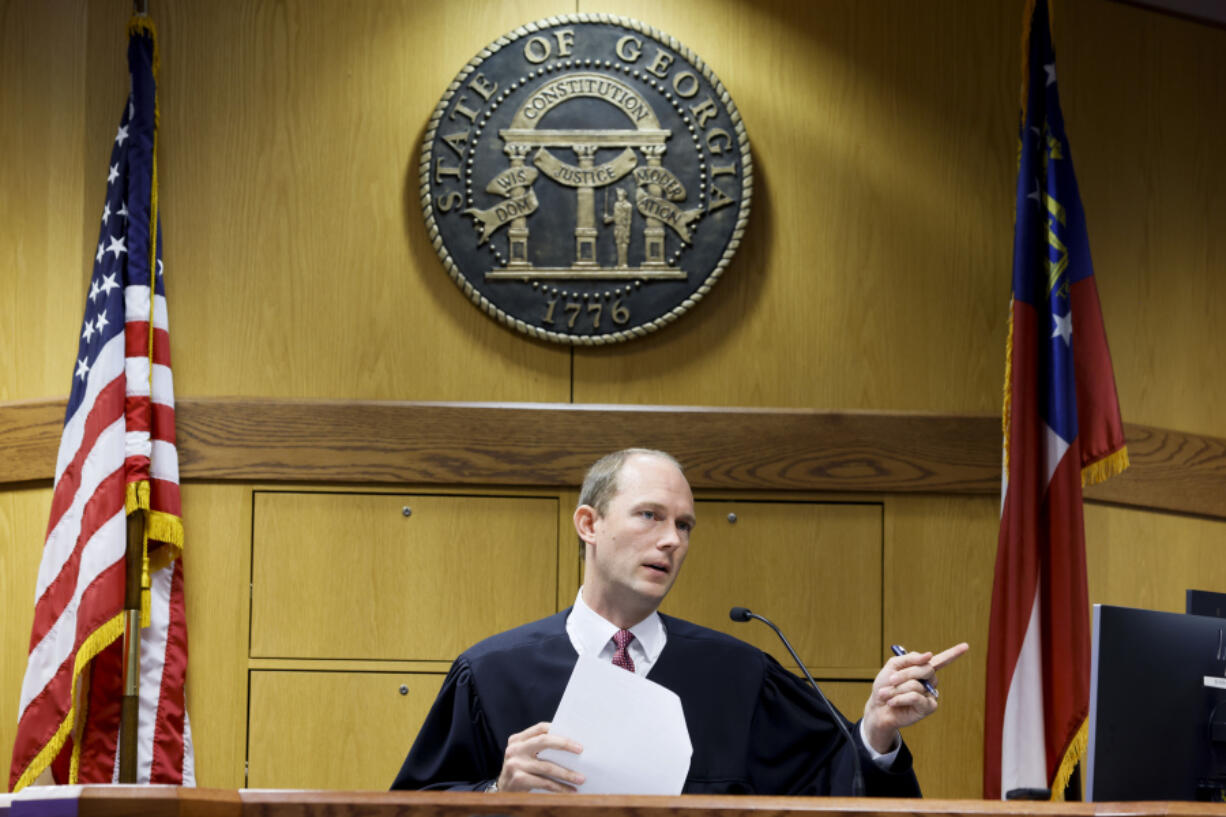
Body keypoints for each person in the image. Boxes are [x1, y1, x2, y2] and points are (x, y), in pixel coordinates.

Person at [391, 448, 968, 795]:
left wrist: (877, 728)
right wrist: (496, 792)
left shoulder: (739, 673)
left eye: (685, 525)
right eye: (649, 515)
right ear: (588, 524)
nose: (671, 540)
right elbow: (412, 807)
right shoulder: (491, 673)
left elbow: (828, 783)